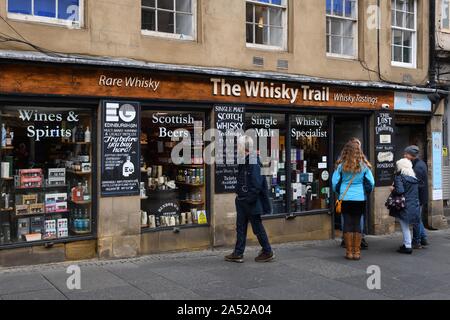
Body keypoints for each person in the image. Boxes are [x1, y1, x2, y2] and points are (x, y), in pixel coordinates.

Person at [225, 136, 274, 263]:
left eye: (238, 146)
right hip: (242, 200)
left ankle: (267, 251)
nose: (237, 148)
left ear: (243, 147)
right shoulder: (246, 160)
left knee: (257, 227)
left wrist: (248, 199)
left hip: (250, 201)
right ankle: (238, 253)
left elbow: (257, 184)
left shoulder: (253, 161)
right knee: (240, 227)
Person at [332, 141, 374, 260]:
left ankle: (349, 252)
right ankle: (357, 252)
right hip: (359, 197)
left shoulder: (341, 166)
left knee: (347, 224)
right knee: (357, 224)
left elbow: (334, 182)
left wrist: (338, 192)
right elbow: (372, 182)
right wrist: (366, 192)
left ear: (346, 151)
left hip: (345, 197)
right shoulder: (364, 166)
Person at [390, 158, 421, 254]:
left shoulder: (400, 177)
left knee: (404, 226)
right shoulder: (414, 178)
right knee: (410, 225)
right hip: (414, 204)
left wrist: (392, 189)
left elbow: (400, 191)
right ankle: (407, 243)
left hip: (404, 205)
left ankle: (407, 246)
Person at [404, 146, 429, 249]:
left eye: (406, 154)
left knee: (415, 219)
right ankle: (423, 238)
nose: (404, 155)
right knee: (418, 218)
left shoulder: (418, 167)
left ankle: (416, 241)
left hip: (418, 197)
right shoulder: (419, 163)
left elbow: (416, 184)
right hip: (420, 196)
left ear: (412, 155)